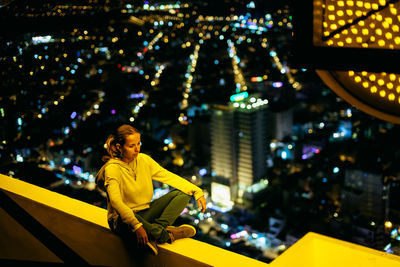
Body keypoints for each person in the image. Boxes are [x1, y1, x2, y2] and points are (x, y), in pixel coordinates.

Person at [95, 124, 207, 256]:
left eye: (138, 143)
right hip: (122, 221)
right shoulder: (112, 169)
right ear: (119, 147)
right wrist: (136, 226)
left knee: (182, 194)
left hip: (146, 212)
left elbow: (168, 176)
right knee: (130, 215)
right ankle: (167, 235)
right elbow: (116, 202)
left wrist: (196, 191)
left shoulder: (143, 160)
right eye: (131, 146)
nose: (137, 149)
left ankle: (154, 233)